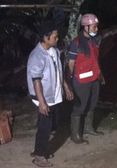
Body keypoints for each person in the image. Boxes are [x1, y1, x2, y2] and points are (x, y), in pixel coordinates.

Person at [27, 21, 74, 167]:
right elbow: (36, 81)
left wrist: (65, 87)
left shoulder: (54, 51)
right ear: (45, 38)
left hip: (54, 95)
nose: (57, 38)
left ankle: (38, 150)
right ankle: (40, 157)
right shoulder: (37, 56)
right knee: (45, 127)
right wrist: (42, 102)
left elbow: (58, 72)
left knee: (49, 125)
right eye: (55, 36)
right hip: (44, 97)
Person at [67, 13, 105, 144]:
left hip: (94, 78)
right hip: (81, 81)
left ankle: (89, 128)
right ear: (86, 27)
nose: (96, 29)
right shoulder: (76, 43)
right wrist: (70, 81)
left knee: (92, 104)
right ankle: (75, 135)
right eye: (94, 27)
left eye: (96, 26)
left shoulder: (95, 40)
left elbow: (95, 60)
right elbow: (71, 64)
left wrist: (100, 75)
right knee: (80, 107)